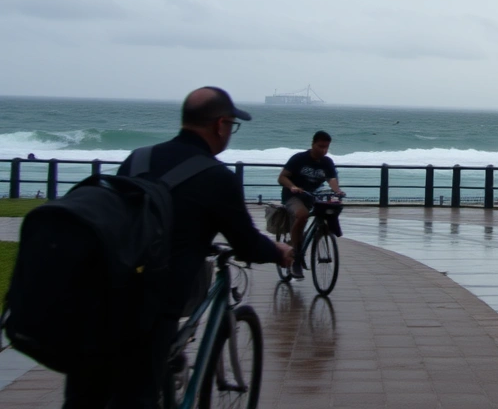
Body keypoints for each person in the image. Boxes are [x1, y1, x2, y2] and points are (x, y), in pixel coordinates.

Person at [63, 87, 292, 409]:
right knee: (139, 396)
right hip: (153, 304)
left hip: (101, 291)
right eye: (231, 126)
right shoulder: (217, 177)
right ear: (220, 124)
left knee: (84, 397)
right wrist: (278, 251)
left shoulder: (137, 158)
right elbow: (245, 243)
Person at [278, 130, 345, 279]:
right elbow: (282, 177)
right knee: (302, 215)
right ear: (313, 144)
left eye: (326, 147)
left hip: (311, 196)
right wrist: (292, 187)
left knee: (331, 210)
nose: (324, 150)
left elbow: (332, 179)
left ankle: (320, 234)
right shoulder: (299, 159)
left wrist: (337, 191)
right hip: (293, 195)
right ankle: (296, 255)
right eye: (320, 146)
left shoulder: (327, 162)